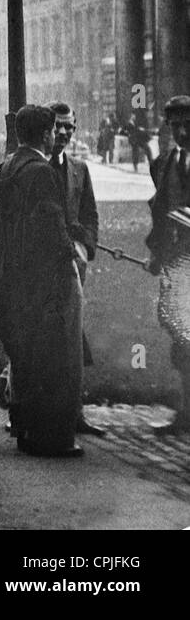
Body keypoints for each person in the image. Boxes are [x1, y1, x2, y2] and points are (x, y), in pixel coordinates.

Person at [0, 104, 84, 458]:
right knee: (55, 357)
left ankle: (24, 430)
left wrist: (0, 263)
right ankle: (51, 439)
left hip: (12, 280)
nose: (57, 136)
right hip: (43, 281)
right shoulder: (41, 172)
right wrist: (71, 252)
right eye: (54, 130)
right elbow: (51, 228)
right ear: (45, 134)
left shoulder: (5, 168)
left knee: (24, 357)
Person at [45, 102, 103, 436]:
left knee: (72, 338)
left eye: (70, 127)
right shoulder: (35, 168)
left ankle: (74, 413)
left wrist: (86, 247)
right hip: (41, 268)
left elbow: (90, 214)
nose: (65, 133)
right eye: (59, 127)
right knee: (38, 335)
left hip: (73, 265)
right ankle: (25, 409)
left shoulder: (79, 168)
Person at [145, 95, 190, 434]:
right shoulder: (162, 164)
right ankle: (185, 413)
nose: (182, 130)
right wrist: (157, 254)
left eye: (187, 122)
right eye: (175, 124)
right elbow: (160, 215)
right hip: (177, 268)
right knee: (181, 338)